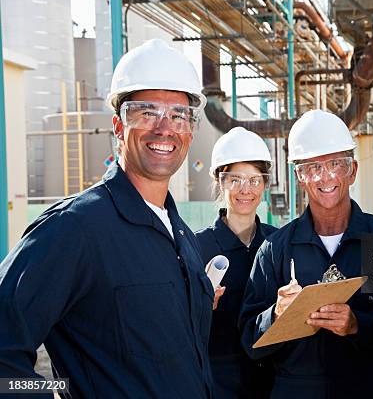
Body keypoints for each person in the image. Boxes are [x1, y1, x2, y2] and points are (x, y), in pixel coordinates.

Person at [0, 39, 216, 398]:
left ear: (190, 130)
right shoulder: (75, 229)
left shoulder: (182, 236)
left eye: (178, 114)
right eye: (146, 112)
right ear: (118, 125)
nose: (165, 127)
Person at [239, 109, 373, 399]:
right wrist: (276, 315)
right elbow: (250, 342)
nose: (325, 176)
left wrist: (357, 325)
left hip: (366, 389)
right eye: (312, 167)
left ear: (353, 170)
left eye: (336, 163)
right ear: (300, 177)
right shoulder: (275, 250)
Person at [195, 127, 277, 398]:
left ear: (265, 184)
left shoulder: (279, 243)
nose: (246, 190)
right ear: (220, 181)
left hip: (273, 381)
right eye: (236, 179)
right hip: (219, 384)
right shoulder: (197, 247)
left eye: (255, 180)